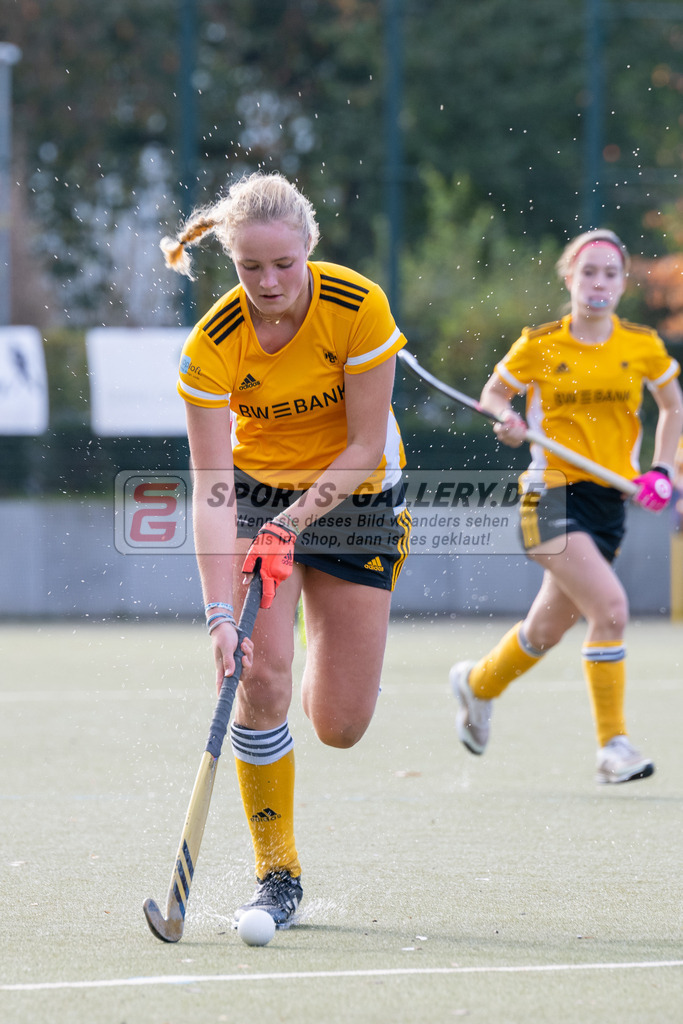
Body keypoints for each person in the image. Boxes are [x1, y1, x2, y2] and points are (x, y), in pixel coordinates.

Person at [160, 171, 412, 927]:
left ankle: (321, 649)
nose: (267, 282)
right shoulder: (210, 345)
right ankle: (279, 875)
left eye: (282, 264)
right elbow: (211, 489)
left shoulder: (357, 306)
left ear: (309, 248)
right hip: (259, 491)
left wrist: (292, 527)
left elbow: (367, 445)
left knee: (339, 724)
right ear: (229, 261)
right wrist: (215, 616)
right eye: (249, 267)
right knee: (257, 675)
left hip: (355, 496)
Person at [450, 228, 683, 784]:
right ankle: (613, 747)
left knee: (544, 632)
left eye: (610, 273)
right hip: (549, 494)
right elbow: (494, 395)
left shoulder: (641, 346)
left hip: (609, 503)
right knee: (612, 609)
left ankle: (477, 685)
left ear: (624, 284)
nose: (599, 282)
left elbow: (673, 406)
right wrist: (506, 422)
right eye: (588, 272)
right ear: (569, 279)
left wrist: (663, 470)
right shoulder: (541, 344)